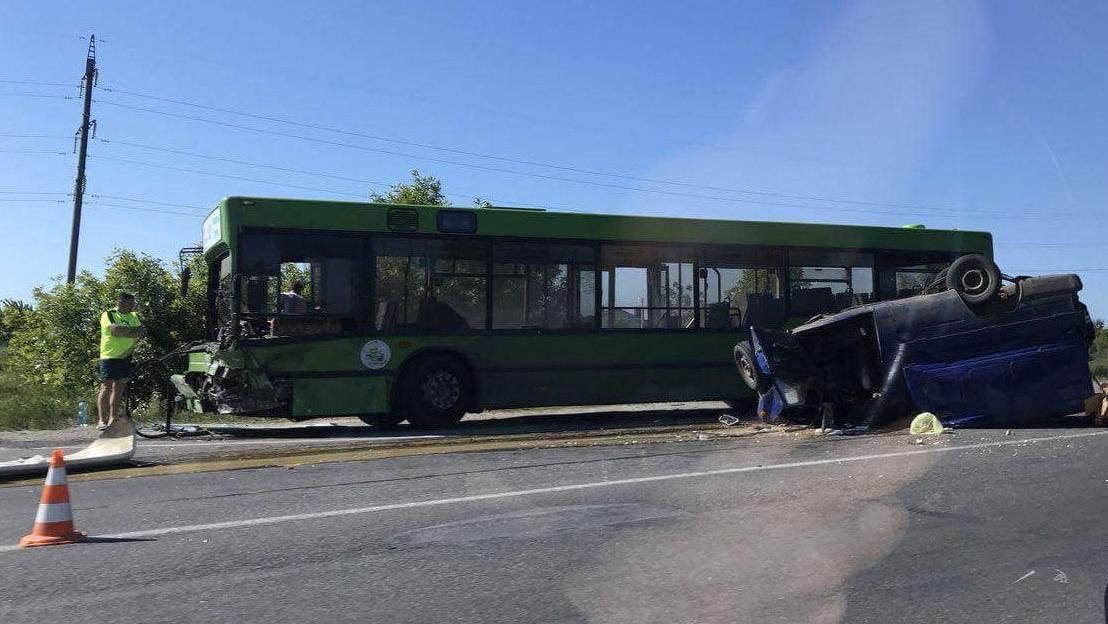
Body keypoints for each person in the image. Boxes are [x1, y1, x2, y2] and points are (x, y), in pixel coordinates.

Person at [96, 292, 146, 430]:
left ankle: (113, 417)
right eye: (130, 303)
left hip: (126, 356)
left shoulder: (133, 316)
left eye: (133, 304)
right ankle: (102, 419)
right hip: (109, 356)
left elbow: (141, 331)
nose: (132, 306)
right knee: (106, 387)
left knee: (119, 388)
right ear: (120, 302)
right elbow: (115, 330)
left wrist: (126, 331)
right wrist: (131, 331)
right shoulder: (109, 314)